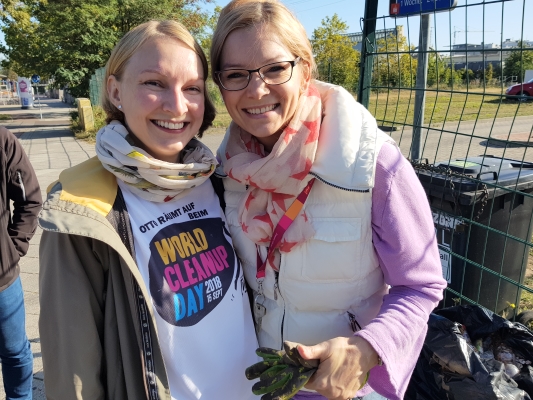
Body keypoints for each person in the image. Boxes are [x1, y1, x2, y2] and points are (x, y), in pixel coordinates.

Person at [210, 1, 448, 399]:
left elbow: (421, 285)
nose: (256, 89)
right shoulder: (225, 171)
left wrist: (367, 349)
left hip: (347, 388)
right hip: (259, 380)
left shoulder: (372, 164)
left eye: (275, 68)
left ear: (304, 68)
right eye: (236, 74)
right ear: (219, 84)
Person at [38, 20, 258, 400]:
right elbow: (72, 373)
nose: (177, 105)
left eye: (192, 88)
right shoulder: (82, 210)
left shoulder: (219, 178)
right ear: (115, 90)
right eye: (154, 83)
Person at [0, 126, 42, 399]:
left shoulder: (2, 140)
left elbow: (30, 200)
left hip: (2, 279)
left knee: (15, 350)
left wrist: (13, 248)